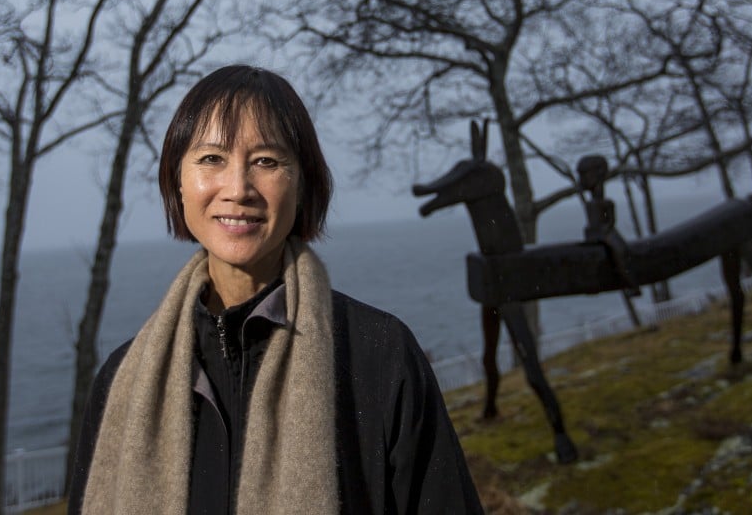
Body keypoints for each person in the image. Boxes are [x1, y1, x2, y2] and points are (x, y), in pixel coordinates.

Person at [68, 65, 483, 515]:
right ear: (177, 181)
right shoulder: (122, 381)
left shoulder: (380, 356)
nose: (238, 189)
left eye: (266, 161)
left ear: (303, 184)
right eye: (211, 159)